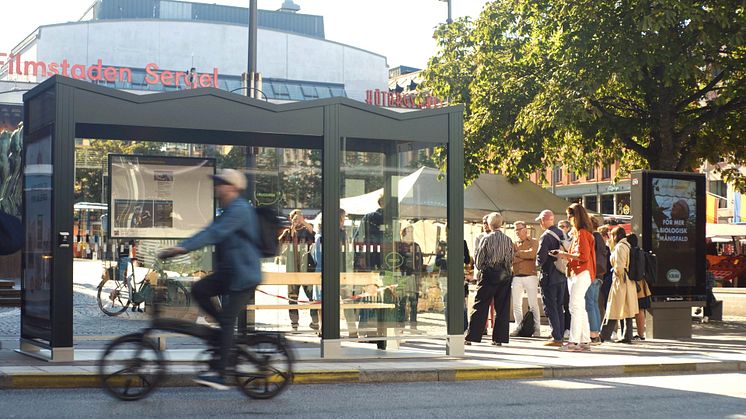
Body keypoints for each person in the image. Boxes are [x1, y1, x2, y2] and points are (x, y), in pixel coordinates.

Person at [158, 169, 261, 390]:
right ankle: (221, 335)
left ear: (232, 187)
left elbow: (214, 234)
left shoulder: (240, 210)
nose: (217, 187)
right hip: (230, 273)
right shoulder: (227, 209)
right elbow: (209, 230)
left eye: (221, 183)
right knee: (200, 290)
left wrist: (181, 248)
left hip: (243, 276)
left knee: (226, 322)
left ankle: (222, 375)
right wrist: (181, 246)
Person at [465, 212, 514, 346]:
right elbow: (510, 259)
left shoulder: (486, 239)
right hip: (504, 275)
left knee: (480, 305)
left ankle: (472, 337)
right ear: (501, 224)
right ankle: (499, 338)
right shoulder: (508, 239)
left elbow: (479, 259)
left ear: (490, 224)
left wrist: (483, 269)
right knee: (502, 308)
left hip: (489, 274)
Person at [554, 203, 596, 352]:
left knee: (575, 306)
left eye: (570, 216)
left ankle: (574, 342)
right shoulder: (582, 233)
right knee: (580, 306)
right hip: (581, 272)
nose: (569, 219)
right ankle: (584, 341)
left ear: (576, 217)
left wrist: (563, 255)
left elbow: (582, 256)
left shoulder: (582, 233)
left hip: (580, 272)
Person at [278, 209, 319, 332]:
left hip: (307, 268)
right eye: (295, 218)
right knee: (292, 297)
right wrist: (292, 228)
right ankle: (294, 323)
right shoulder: (288, 232)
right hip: (292, 268)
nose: (298, 220)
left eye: (300, 218)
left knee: (311, 296)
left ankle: (315, 321)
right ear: (291, 219)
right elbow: (280, 245)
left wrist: (303, 222)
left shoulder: (307, 230)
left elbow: (314, 233)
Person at [600, 227, 638, 343]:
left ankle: (604, 334)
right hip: (628, 282)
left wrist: (616, 273)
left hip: (620, 281)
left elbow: (619, 267)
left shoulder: (620, 247)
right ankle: (627, 335)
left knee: (613, 309)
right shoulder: (627, 245)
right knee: (628, 310)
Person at [535, 209, 567, 347]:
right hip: (562, 273)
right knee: (559, 306)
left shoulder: (546, 236)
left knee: (550, 306)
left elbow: (540, 258)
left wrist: (536, 264)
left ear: (543, 220)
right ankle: (560, 334)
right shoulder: (562, 233)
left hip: (549, 275)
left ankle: (556, 337)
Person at [510, 221, 541, 337]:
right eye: (515, 230)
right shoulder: (513, 244)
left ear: (525, 229)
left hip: (530, 275)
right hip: (517, 276)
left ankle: (537, 328)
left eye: (519, 229)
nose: (517, 232)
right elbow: (511, 259)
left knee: (533, 304)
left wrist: (518, 254)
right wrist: (523, 256)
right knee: (516, 304)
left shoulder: (534, 241)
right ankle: (519, 327)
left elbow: (532, 254)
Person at [396, 225, 423, 330]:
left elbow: (420, 263)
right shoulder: (399, 247)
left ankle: (413, 327)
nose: (411, 233)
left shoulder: (416, 246)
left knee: (414, 303)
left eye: (412, 231)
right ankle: (401, 327)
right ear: (404, 233)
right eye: (409, 231)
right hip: (402, 277)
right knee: (401, 303)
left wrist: (419, 277)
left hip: (414, 277)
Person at [586, 216, 608, 344]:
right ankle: (596, 333)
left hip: (592, 274)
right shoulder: (599, 237)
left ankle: (593, 333)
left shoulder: (593, 237)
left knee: (590, 304)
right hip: (599, 275)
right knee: (594, 303)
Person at [628, 234, 651, 341]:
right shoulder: (641, 251)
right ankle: (641, 334)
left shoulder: (631, 252)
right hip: (643, 283)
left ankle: (638, 334)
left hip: (635, 284)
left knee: (638, 310)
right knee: (641, 309)